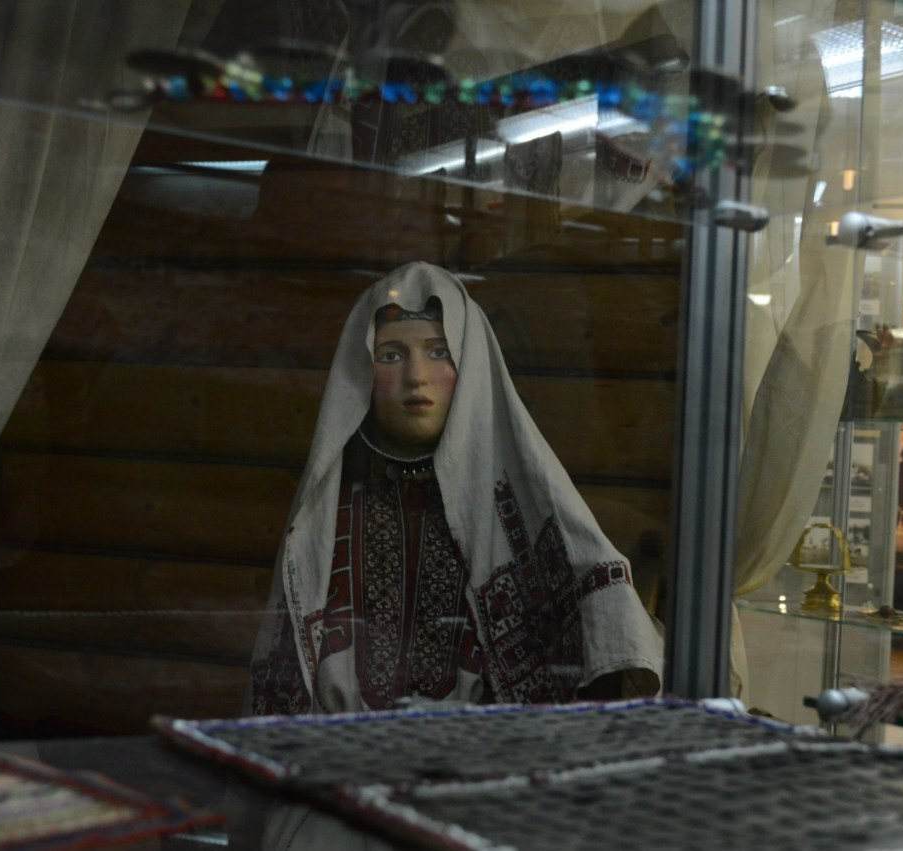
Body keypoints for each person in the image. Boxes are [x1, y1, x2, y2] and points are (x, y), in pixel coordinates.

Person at [248, 261, 662, 716]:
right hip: (342, 745)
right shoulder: (327, 515)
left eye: (438, 352)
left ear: (469, 366)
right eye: (390, 355)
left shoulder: (508, 508)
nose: (416, 376)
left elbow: (608, 618)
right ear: (360, 373)